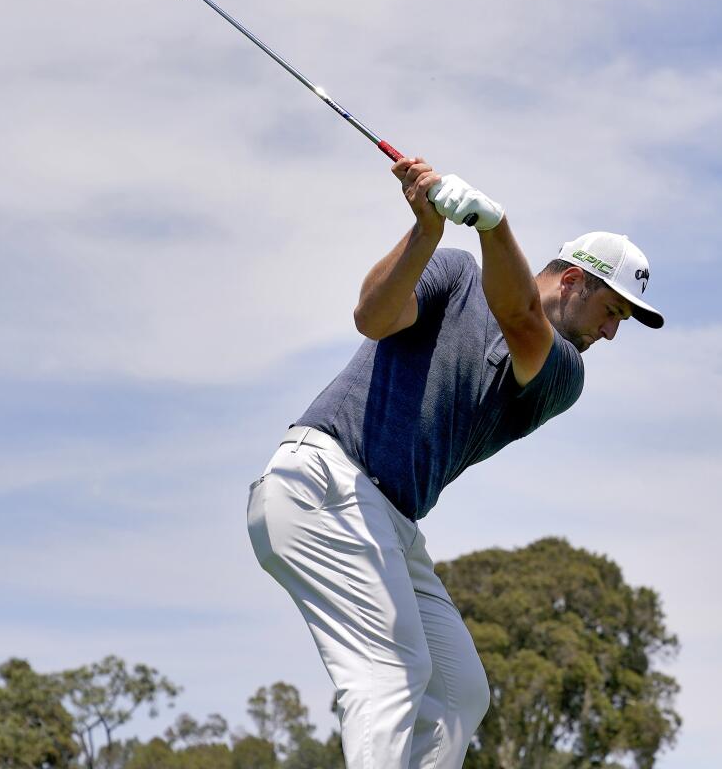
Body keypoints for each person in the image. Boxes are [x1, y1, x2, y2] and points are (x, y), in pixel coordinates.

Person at [246, 158, 664, 768]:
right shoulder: (456, 273)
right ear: (575, 280)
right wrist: (426, 232)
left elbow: (522, 319)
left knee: (457, 689)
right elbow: (372, 316)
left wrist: (496, 226)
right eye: (612, 312)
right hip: (324, 483)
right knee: (391, 674)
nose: (611, 332)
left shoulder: (563, 374)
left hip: (385, 518)